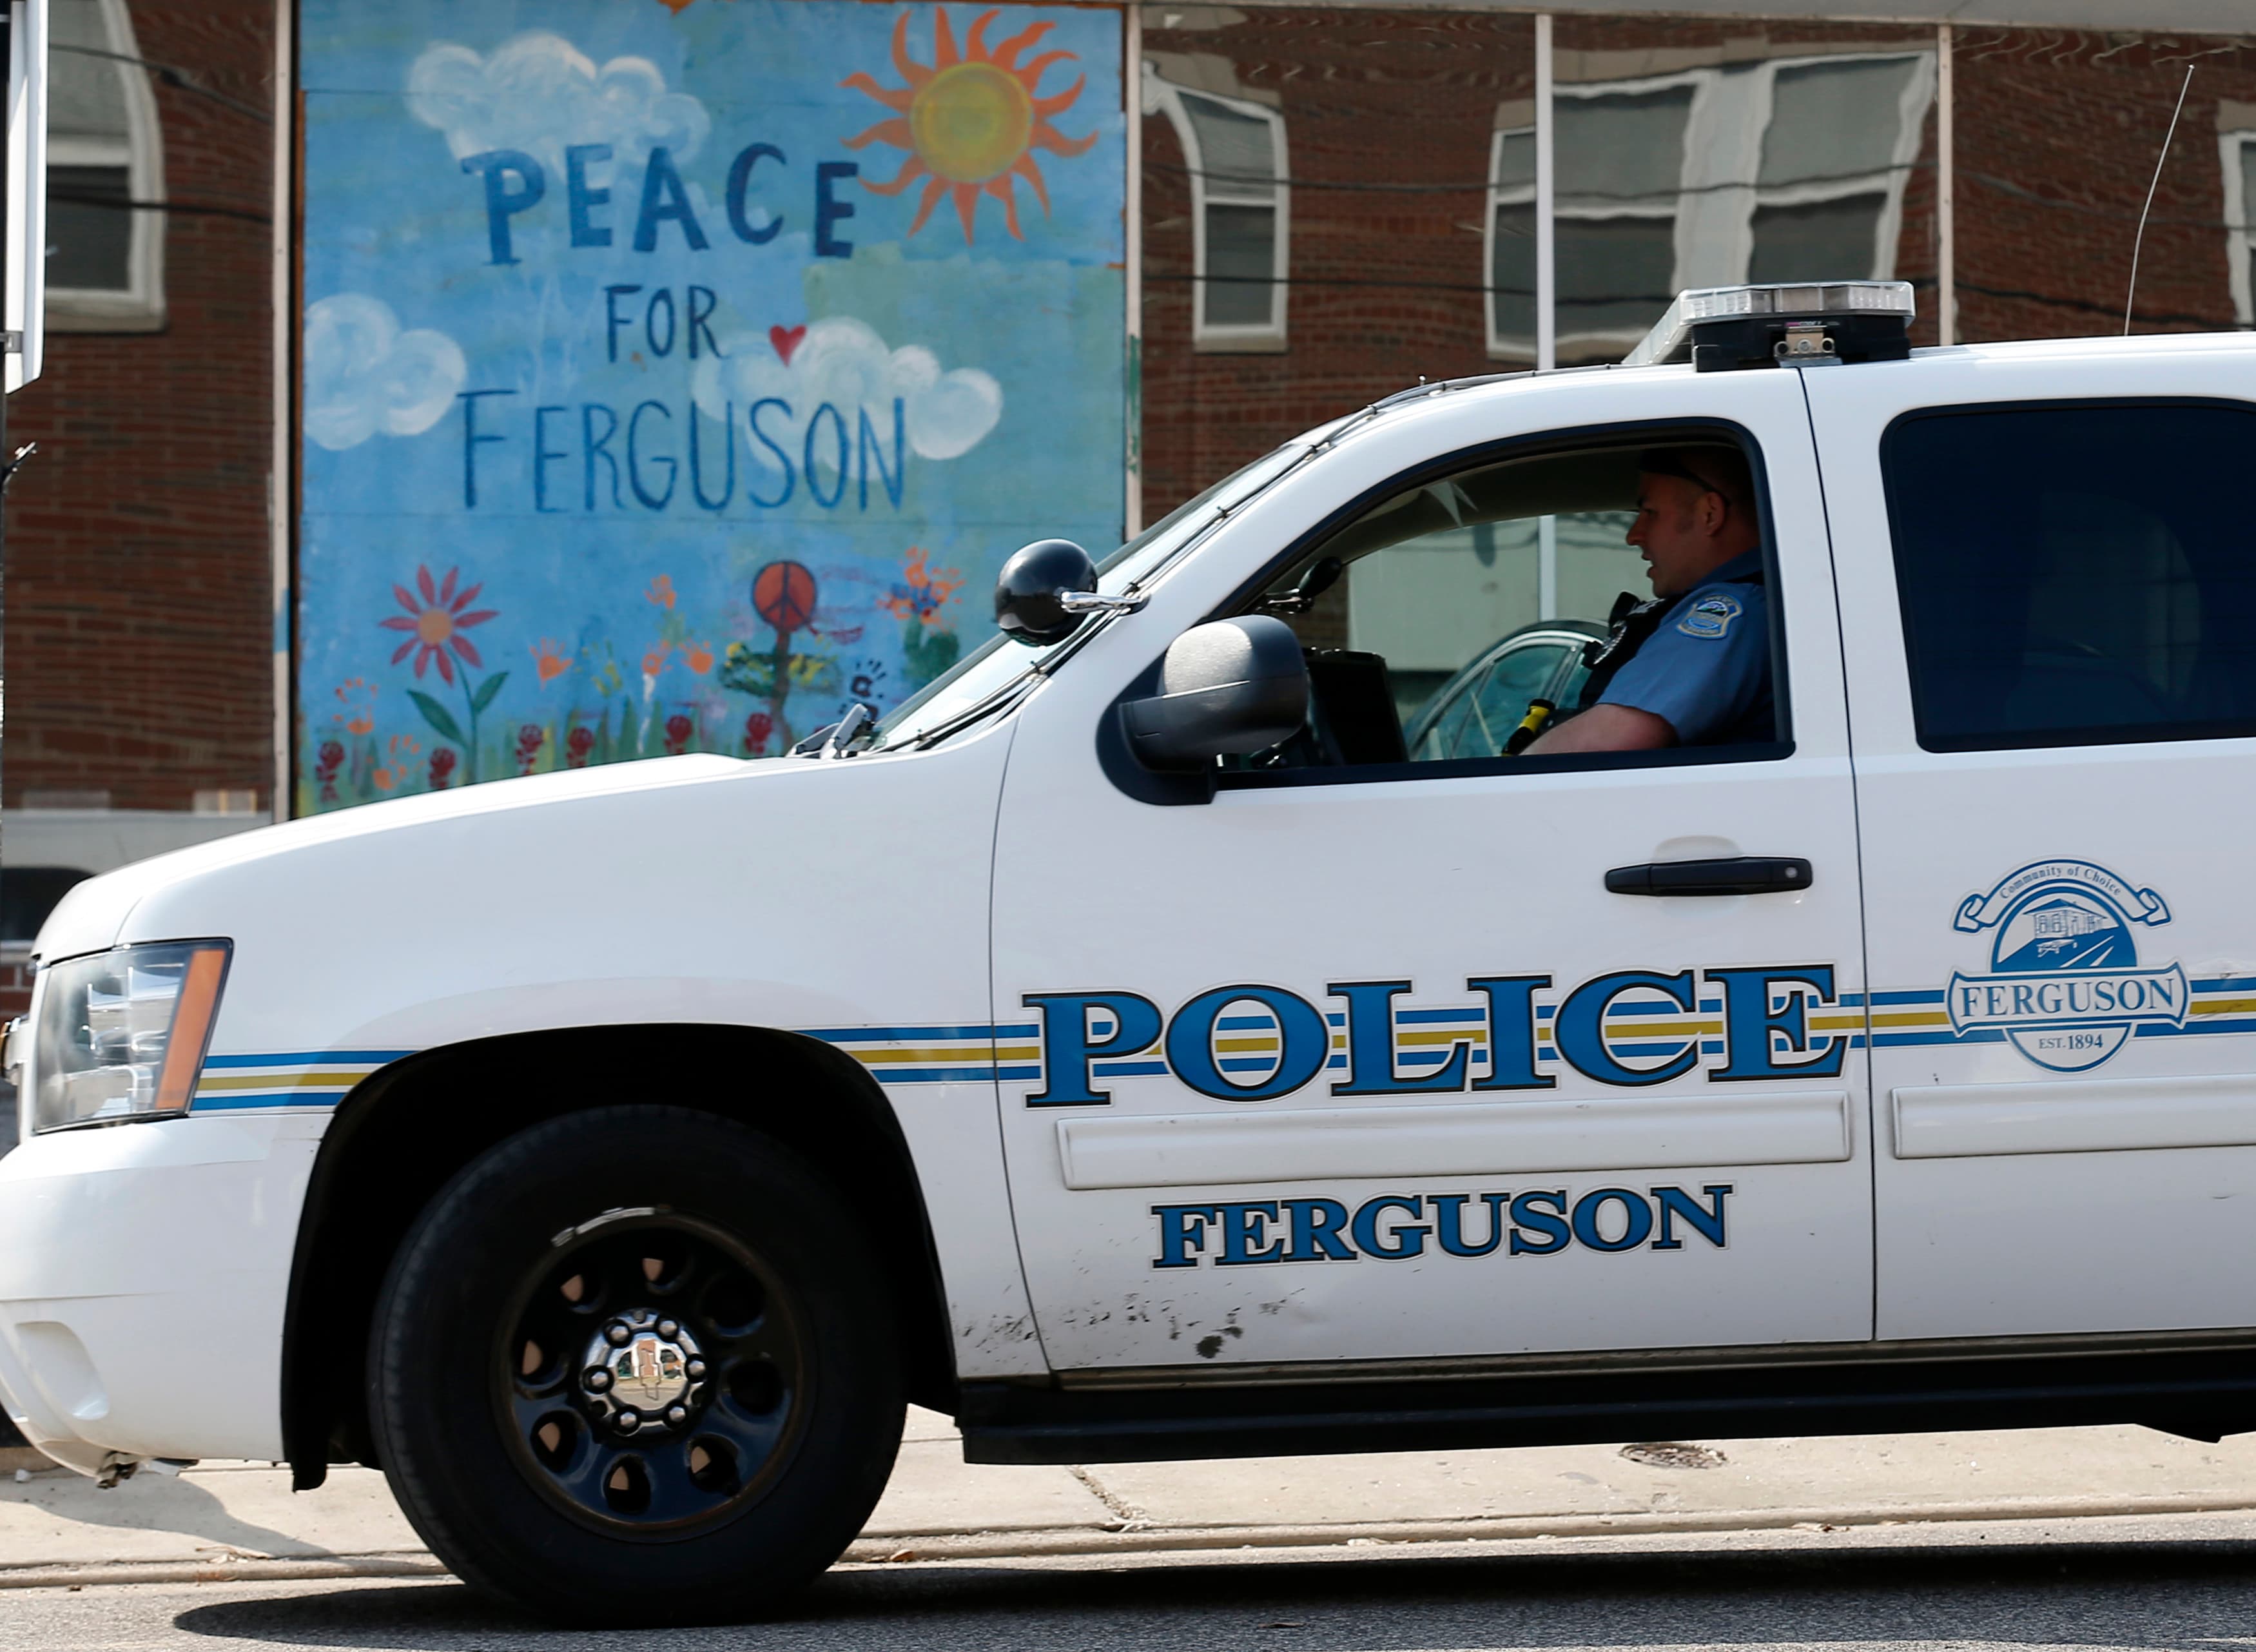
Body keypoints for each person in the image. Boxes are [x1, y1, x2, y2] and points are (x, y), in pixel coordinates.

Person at [1525, 445, 1773, 754]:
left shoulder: (1733, 608)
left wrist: (1502, 781)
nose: (1633, 535)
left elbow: (1608, 740)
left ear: (1710, 514)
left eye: (1650, 513)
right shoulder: (1760, 602)